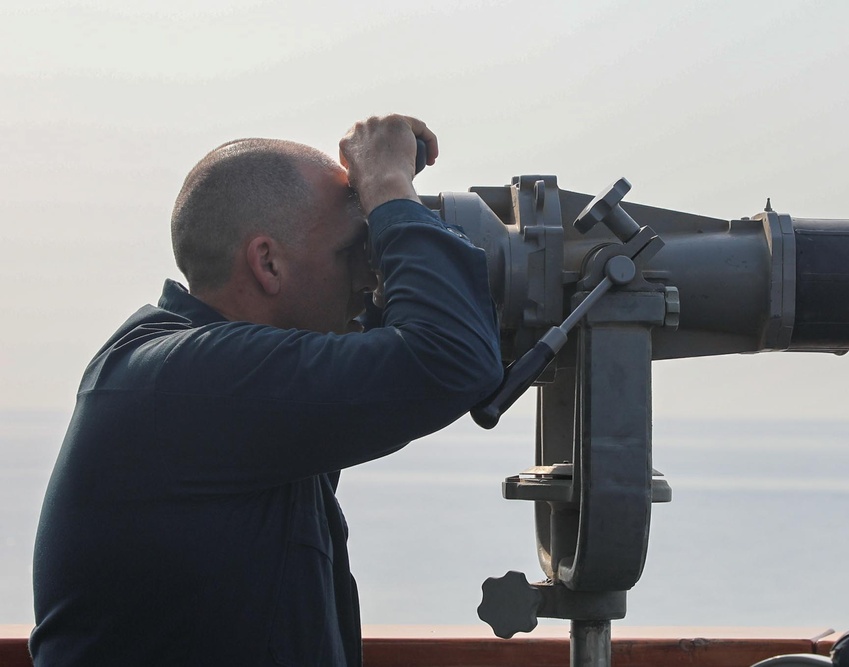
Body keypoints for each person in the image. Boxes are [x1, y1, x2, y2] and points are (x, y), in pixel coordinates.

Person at [30, 115, 504, 666]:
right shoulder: (192, 384)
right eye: (350, 252)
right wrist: (390, 192)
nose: (368, 278)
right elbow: (450, 358)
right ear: (267, 262)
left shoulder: (199, 382)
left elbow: (421, 353)